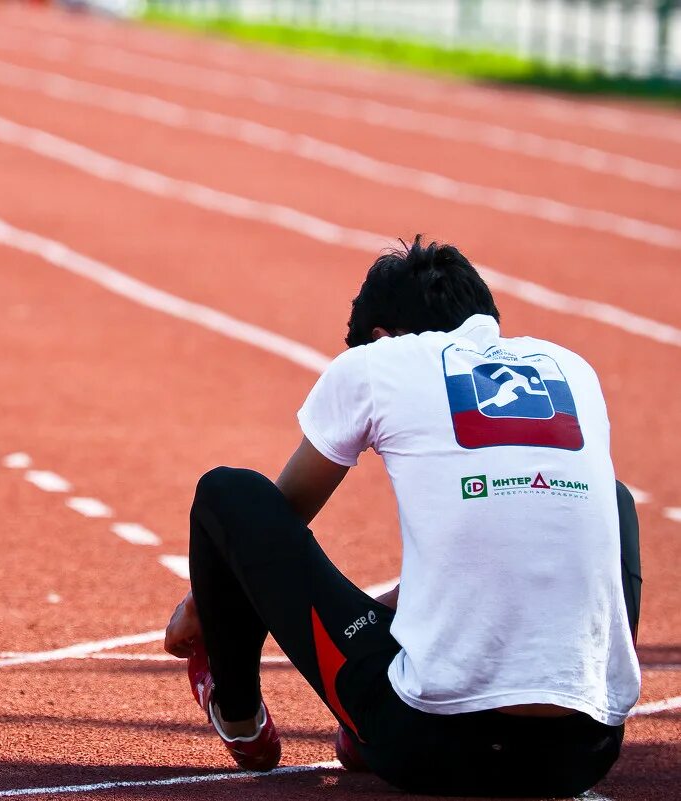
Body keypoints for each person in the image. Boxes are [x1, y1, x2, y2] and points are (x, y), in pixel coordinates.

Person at [164, 236, 642, 797]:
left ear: (378, 337)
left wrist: (205, 606)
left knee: (230, 493)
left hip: (428, 747)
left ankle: (238, 715)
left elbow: (270, 519)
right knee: (614, 501)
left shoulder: (377, 363)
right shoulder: (573, 370)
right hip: (583, 755)